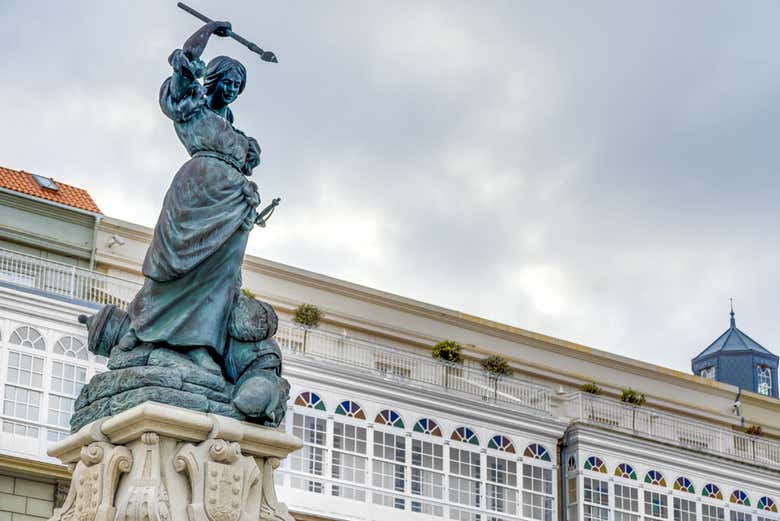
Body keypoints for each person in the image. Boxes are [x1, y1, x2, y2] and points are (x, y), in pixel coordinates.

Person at [118, 21, 263, 373]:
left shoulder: (231, 124)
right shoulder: (190, 105)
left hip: (231, 206)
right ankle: (140, 327)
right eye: (226, 81)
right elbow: (185, 63)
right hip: (194, 197)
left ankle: (200, 345)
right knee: (174, 270)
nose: (230, 89)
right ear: (211, 78)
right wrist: (209, 30)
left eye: (237, 86)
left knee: (220, 278)